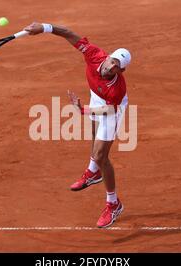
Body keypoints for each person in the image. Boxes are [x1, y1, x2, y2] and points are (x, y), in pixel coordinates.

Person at [24, 22, 131, 228]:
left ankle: (113, 203)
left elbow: (108, 111)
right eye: (112, 61)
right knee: (93, 132)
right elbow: (68, 33)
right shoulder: (93, 54)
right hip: (97, 95)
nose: (111, 66)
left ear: (122, 70)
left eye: (117, 66)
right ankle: (94, 172)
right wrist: (44, 27)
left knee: (102, 155)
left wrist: (82, 110)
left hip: (111, 108)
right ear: (108, 56)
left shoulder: (117, 88)